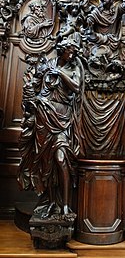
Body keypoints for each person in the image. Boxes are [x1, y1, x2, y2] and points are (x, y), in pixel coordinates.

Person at [18, 37, 83, 218]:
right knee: (46, 163)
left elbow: (77, 87)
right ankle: (50, 201)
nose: (72, 54)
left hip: (62, 117)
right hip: (43, 117)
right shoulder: (47, 64)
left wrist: (60, 73)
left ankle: (65, 205)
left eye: (73, 52)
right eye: (69, 51)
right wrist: (34, 102)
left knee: (61, 159)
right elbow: (33, 86)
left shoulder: (73, 68)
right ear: (62, 50)